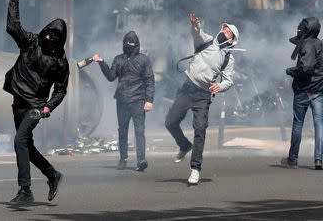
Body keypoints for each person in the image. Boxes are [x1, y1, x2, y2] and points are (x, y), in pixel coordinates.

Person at [4, 0, 69, 204]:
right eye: (49, 35)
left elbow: (61, 90)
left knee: (19, 140)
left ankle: (25, 190)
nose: (50, 40)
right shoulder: (32, 42)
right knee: (26, 146)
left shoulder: (61, 63)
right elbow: (13, 27)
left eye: (55, 39)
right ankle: (52, 174)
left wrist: (48, 107)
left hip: (36, 107)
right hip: (18, 100)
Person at [165, 14, 239, 185]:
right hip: (187, 87)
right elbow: (198, 34)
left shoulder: (228, 58)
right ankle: (184, 146)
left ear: (232, 40)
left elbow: (228, 81)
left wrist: (218, 87)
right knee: (170, 122)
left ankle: (195, 169)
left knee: (200, 129)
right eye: (224, 28)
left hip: (202, 95)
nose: (224, 31)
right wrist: (195, 27)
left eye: (228, 32)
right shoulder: (208, 41)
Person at [92, 31, 155, 171]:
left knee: (139, 131)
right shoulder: (118, 59)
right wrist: (101, 63)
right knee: (122, 131)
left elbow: (150, 80)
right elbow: (110, 76)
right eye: (126, 42)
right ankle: (123, 159)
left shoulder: (143, 59)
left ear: (136, 44)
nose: (128, 44)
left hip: (138, 100)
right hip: (122, 101)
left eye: (131, 42)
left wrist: (149, 100)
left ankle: (141, 160)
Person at [282, 17, 323, 170]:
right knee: (319, 123)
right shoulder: (319, 44)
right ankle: (319, 159)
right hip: (318, 91)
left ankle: (293, 159)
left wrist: (291, 71)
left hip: (304, 91)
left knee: (298, 124)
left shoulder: (307, 44)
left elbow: (306, 68)